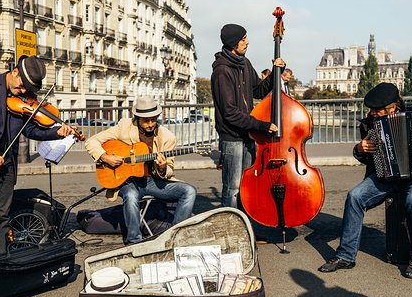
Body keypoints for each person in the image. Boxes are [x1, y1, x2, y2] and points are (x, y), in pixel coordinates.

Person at [318, 82, 412, 279]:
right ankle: (346, 255)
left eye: (376, 110)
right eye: (371, 109)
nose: (372, 113)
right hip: (386, 176)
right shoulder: (370, 123)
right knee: (355, 196)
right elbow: (365, 157)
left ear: (392, 107)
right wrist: (359, 149)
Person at [0, 56, 74, 259]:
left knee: (2, 217)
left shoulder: (24, 99)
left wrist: (57, 132)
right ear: (15, 71)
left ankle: (1, 262)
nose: (24, 91)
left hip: (6, 164)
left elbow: (32, 130)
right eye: (22, 85)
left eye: (29, 88)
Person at [85, 96, 196, 245]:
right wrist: (105, 157)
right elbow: (91, 141)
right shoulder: (124, 127)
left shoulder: (167, 137)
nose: (150, 124)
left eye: (153, 119)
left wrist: (162, 167)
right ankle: (134, 241)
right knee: (131, 196)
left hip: (152, 181)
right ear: (136, 118)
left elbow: (169, 170)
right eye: (146, 120)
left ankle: (174, 237)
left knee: (189, 191)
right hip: (127, 181)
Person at [210, 23, 285, 208]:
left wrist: (276, 72)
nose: (247, 42)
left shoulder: (245, 63)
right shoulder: (221, 71)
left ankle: (246, 228)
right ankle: (231, 231)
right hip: (232, 138)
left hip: (247, 135)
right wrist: (260, 125)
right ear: (233, 43)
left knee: (247, 186)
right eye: (243, 39)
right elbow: (230, 113)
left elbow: (258, 90)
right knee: (232, 189)